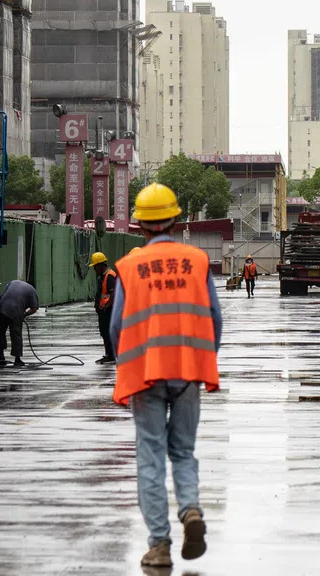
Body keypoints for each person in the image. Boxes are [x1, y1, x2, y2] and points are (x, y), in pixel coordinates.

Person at [111, 183, 222, 569]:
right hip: (188, 371)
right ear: (176, 220)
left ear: (141, 225)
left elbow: (117, 326)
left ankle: (159, 545)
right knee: (183, 451)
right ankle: (190, 509)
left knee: (151, 455)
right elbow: (215, 318)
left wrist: (126, 367)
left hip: (145, 374)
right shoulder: (197, 261)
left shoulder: (129, 267)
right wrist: (203, 359)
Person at [0, 278, 38, 368]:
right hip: (15, 309)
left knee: (1, 333)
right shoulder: (32, 290)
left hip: (2, 307)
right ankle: (17, 359)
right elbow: (34, 308)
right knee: (16, 334)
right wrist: (24, 314)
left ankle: (1, 357)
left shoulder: (12, 282)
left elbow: (2, 295)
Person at [91, 250, 117, 364]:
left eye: (95, 266)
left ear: (101, 265)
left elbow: (113, 293)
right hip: (103, 310)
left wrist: (107, 305)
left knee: (107, 332)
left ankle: (111, 355)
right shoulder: (102, 276)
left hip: (108, 310)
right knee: (104, 333)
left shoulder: (109, 275)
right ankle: (109, 354)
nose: (94, 269)